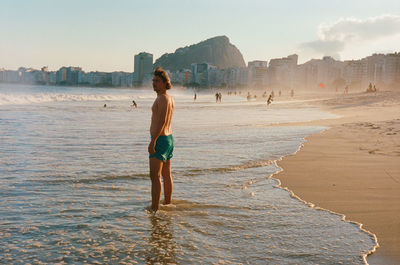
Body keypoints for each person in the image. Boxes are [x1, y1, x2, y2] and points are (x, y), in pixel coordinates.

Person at [148, 66, 175, 213]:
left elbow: (162, 121)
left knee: (155, 176)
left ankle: (154, 209)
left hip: (160, 139)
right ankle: (167, 203)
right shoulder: (170, 98)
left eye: (157, 81)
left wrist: (153, 141)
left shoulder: (163, 98)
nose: (154, 83)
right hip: (168, 139)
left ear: (165, 83)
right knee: (166, 174)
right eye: (153, 81)